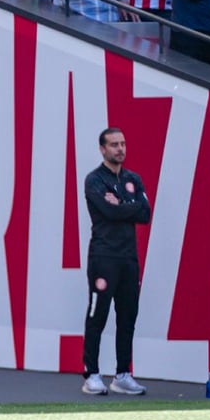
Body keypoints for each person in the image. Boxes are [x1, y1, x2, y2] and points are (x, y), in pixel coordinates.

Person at [81, 127, 151, 396]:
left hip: (128, 258)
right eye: (113, 145)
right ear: (102, 149)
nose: (120, 149)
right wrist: (127, 205)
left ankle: (122, 374)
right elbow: (109, 211)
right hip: (103, 257)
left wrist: (123, 203)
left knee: (128, 316)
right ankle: (92, 374)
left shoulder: (133, 178)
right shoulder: (94, 180)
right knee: (97, 315)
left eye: (122, 143)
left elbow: (145, 214)